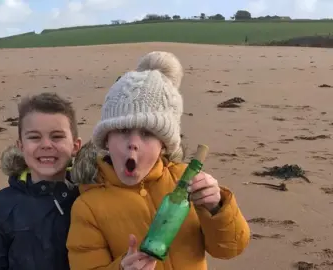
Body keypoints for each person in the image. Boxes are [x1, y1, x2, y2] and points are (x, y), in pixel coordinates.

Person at [66, 51, 251, 270]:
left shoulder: (186, 182)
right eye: (123, 130)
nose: (133, 143)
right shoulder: (88, 206)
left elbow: (230, 248)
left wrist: (216, 207)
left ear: (164, 144)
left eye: (147, 133)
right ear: (106, 139)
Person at [0, 92, 82, 270]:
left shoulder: (86, 199)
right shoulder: (0, 207)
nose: (46, 145)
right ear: (21, 146)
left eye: (57, 136)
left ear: (76, 146)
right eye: (34, 137)